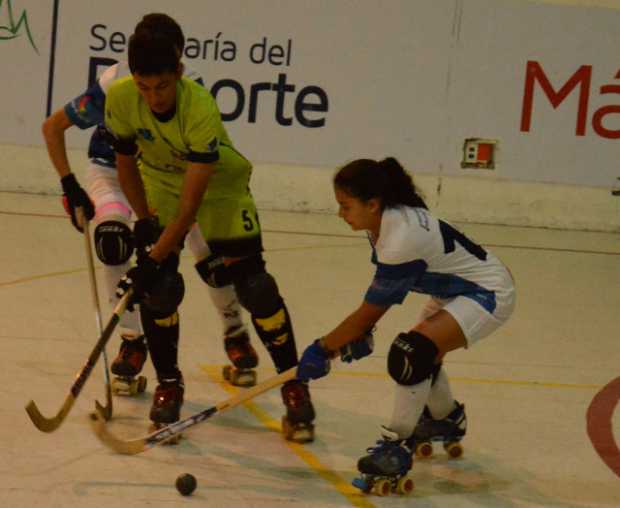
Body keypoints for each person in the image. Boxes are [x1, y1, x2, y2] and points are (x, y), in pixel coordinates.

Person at [105, 13, 316, 441]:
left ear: (178, 72)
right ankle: (169, 385)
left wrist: (155, 254)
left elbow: (191, 207)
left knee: (255, 288)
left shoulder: (199, 105)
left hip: (219, 189)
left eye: (162, 86)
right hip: (161, 185)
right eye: (144, 87)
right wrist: (144, 221)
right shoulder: (122, 98)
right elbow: (126, 164)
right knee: (160, 292)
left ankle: (293, 382)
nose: (153, 97)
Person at [41, 14, 256, 396]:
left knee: (210, 256)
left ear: (178, 61)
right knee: (113, 242)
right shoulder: (118, 84)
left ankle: (234, 330)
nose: (154, 93)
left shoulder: (193, 91)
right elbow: (53, 127)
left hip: (168, 175)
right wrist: (69, 184)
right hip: (114, 170)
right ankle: (131, 340)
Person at [296, 157, 516, 491]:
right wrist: (354, 335)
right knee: (424, 352)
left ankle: (395, 447)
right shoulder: (384, 221)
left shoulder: (399, 239)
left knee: (410, 353)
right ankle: (444, 420)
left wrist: (323, 348)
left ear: (372, 204)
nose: (340, 213)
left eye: (345, 206)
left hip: (487, 293)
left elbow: (368, 313)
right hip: (453, 291)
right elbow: (370, 315)